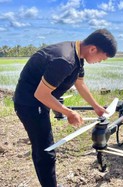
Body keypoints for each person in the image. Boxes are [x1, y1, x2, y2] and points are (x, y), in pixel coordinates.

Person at [13, 29, 117, 186]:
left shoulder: (78, 55)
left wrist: (96, 106)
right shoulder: (65, 60)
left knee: (44, 147)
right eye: (101, 59)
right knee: (46, 150)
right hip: (30, 104)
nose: (99, 62)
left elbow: (80, 83)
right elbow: (41, 94)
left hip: (42, 100)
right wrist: (68, 112)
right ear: (93, 49)